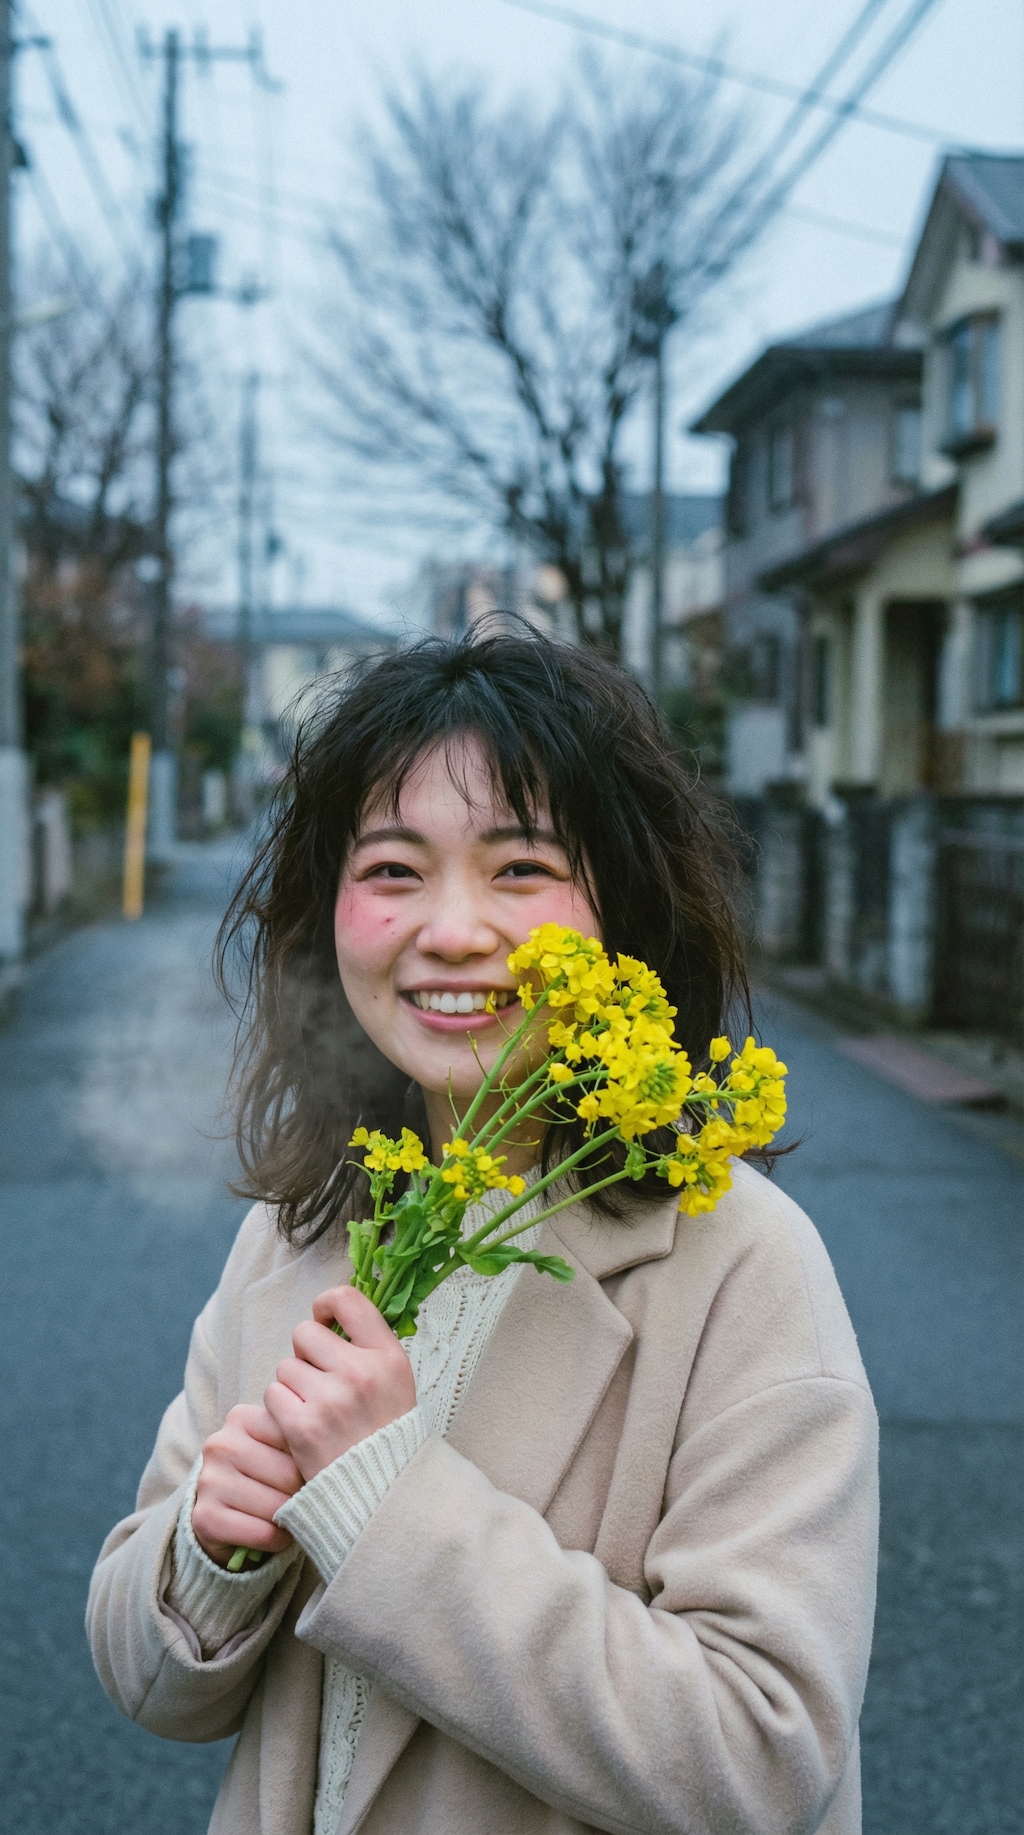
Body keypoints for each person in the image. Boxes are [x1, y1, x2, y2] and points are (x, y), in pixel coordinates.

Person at [87, 633, 878, 1835]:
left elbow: (760, 1758)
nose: (454, 931)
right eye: (394, 869)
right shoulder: (303, 1225)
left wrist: (383, 1499)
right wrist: (207, 1554)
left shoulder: (743, 1264)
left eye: (521, 870)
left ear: (624, 904)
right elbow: (151, 1679)